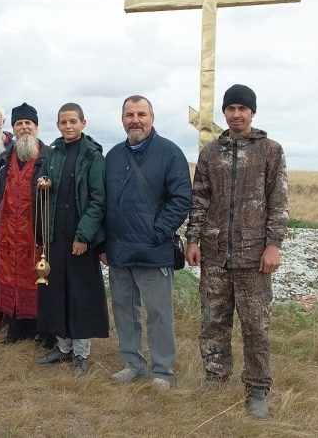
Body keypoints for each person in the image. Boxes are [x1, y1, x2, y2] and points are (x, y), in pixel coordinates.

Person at [186, 84, 288, 418]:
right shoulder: (210, 153)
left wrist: (273, 245)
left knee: (256, 325)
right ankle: (215, 376)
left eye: (243, 108)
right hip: (215, 255)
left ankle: (257, 387)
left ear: (252, 112)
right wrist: (194, 239)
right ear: (224, 113)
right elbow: (199, 199)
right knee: (213, 320)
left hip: (254, 257)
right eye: (230, 108)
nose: (236, 114)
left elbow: (279, 201)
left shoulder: (269, 150)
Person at [101, 95, 192, 391]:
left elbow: (181, 200)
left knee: (158, 313)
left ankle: (162, 371)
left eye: (141, 114)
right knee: (124, 310)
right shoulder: (113, 156)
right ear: (122, 119)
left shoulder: (169, 153)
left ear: (152, 118)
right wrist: (103, 243)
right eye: (129, 114)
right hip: (119, 251)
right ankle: (133, 363)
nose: (135, 120)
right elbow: (101, 202)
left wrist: (158, 232)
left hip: (154, 250)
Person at [35, 103, 109, 376]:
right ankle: (62, 347)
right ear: (58, 125)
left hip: (80, 239)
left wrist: (83, 236)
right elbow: (43, 183)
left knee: (80, 295)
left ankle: (81, 353)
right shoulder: (52, 154)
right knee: (56, 292)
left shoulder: (93, 156)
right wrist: (43, 183)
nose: (68, 126)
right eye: (63, 122)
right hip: (55, 235)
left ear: (83, 123)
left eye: (73, 121)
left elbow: (98, 200)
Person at [0, 102, 52, 345]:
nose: (24, 128)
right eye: (19, 124)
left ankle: (43, 330)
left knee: (39, 277)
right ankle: (16, 327)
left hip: (37, 232)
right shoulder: (2, 160)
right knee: (11, 276)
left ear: (36, 127)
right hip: (8, 233)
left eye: (28, 123)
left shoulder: (50, 157)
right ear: (12, 128)